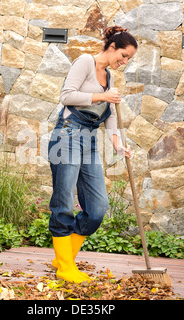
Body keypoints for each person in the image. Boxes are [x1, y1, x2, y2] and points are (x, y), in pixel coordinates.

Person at [47, 26, 138, 283]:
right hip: (66, 135)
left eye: (129, 58)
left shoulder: (109, 77)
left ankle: (62, 257)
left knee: (97, 208)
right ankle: (65, 266)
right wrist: (103, 95)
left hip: (89, 140)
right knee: (63, 202)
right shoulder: (85, 62)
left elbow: (108, 118)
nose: (125, 61)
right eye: (124, 55)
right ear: (111, 47)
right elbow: (67, 96)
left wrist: (119, 145)